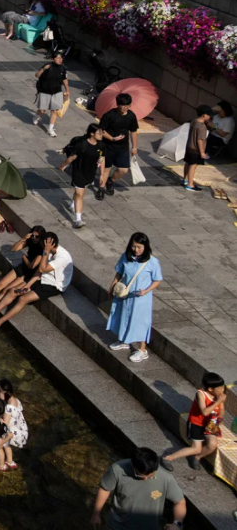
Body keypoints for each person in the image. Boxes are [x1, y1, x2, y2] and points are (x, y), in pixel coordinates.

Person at [0, 232, 73, 330]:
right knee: (13, 291)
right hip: (43, 278)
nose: (41, 246)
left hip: (54, 284)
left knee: (23, 298)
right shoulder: (48, 251)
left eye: (43, 244)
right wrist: (28, 285)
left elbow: (42, 269)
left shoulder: (61, 257)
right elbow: (38, 272)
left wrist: (45, 252)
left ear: (50, 244)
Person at [90, 448, 185, 530]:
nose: (145, 479)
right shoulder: (117, 470)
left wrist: (177, 524)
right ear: (133, 465)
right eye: (140, 475)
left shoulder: (166, 477)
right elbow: (105, 489)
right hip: (118, 526)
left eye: (150, 476)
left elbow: (180, 502)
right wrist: (96, 514)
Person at [105, 232, 164, 363]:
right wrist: (112, 287)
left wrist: (146, 291)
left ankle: (142, 350)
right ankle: (124, 340)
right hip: (125, 294)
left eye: (139, 247)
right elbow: (119, 273)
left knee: (141, 321)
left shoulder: (152, 262)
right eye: (134, 247)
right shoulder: (126, 257)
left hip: (140, 298)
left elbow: (157, 280)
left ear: (145, 247)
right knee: (123, 316)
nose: (136, 250)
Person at [162, 371, 227, 471]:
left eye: (223, 387)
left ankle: (197, 457)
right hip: (197, 423)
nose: (223, 390)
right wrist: (218, 401)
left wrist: (220, 417)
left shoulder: (219, 395)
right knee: (196, 448)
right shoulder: (201, 394)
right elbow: (204, 412)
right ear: (210, 389)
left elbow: (221, 409)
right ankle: (168, 458)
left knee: (212, 445)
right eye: (221, 388)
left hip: (211, 423)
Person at [59, 123, 105, 229]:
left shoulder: (101, 145)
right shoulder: (81, 145)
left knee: (81, 192)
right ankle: (78, 220)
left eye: (102, 132)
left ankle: (72, 204)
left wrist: (101, 175)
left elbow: (102, 158)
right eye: (99, 132)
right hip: (79, 172)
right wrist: (63, 165)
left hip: (91, 172)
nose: (101, 134)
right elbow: (72, 157)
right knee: (80, 195)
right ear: (92, 133)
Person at [98, 92, 141, 197]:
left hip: (123, 148)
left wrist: (134, 147)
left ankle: (111, 180)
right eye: (123, 105)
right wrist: (112, 138)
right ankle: (101, 189)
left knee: (123, 169)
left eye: (127, 105)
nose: (125, 108)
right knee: (106, 169)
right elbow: (101, 130)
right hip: (108, 146)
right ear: (117, 104)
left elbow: (133, 131)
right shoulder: (109, 115)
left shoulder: (131, 116)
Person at [33, 50, 69, 138]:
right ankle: (37, 115)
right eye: (57, 58)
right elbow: (37, 75)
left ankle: (50, 129)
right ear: (53, 59)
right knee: (42, 110)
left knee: (54, 111)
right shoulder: (47, 67)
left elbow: (64, 79)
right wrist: (43, 69)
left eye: (61, 58)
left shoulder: (63, 68)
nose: (60, 60)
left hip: (57, 92)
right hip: (45, 91)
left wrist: (67, 90)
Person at [183, 104, 211, 193]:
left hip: (189, 146)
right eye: (209, 115)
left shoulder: (194, 121)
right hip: (196, 149)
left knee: (188, 163)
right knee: (193, 165)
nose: (210, 116)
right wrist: (202, 152)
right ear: (204, 115)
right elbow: (200, 140)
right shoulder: (202, 127)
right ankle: (190, 185)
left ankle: (185, 180)